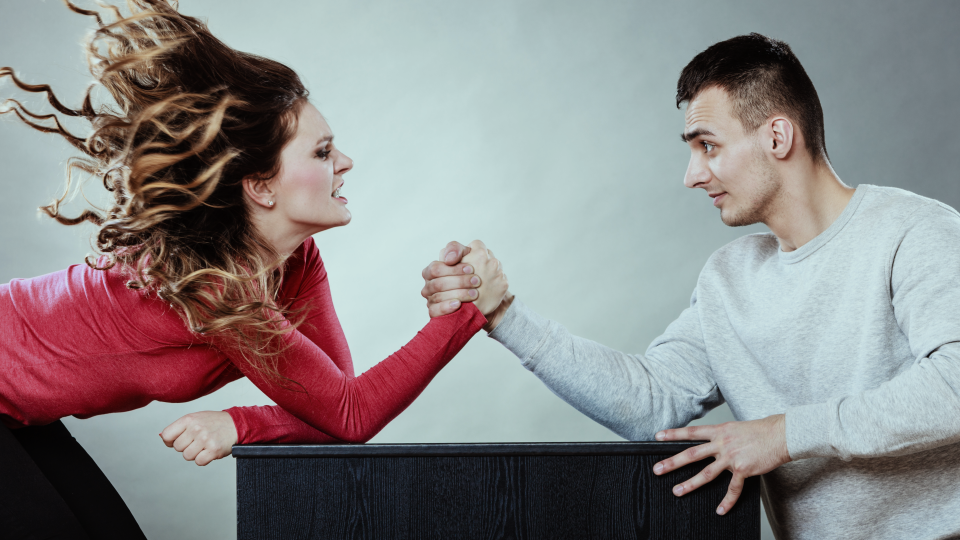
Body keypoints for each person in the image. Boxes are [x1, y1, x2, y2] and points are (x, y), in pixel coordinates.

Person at [0, 1, 508, 537]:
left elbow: (336, 414)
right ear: (262, 186)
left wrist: (237, 425)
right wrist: (467, 313)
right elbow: (351, 413)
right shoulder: (215, 285)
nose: (346, 162)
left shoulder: (296, 264)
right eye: (322, 152)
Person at [424, 33, 960, 539]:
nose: (692, 174)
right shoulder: (730, 279)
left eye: (708, 145)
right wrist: (503, 316)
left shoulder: (914, 232)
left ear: (777, 136)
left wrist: (781, 435)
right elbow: (649, 401)